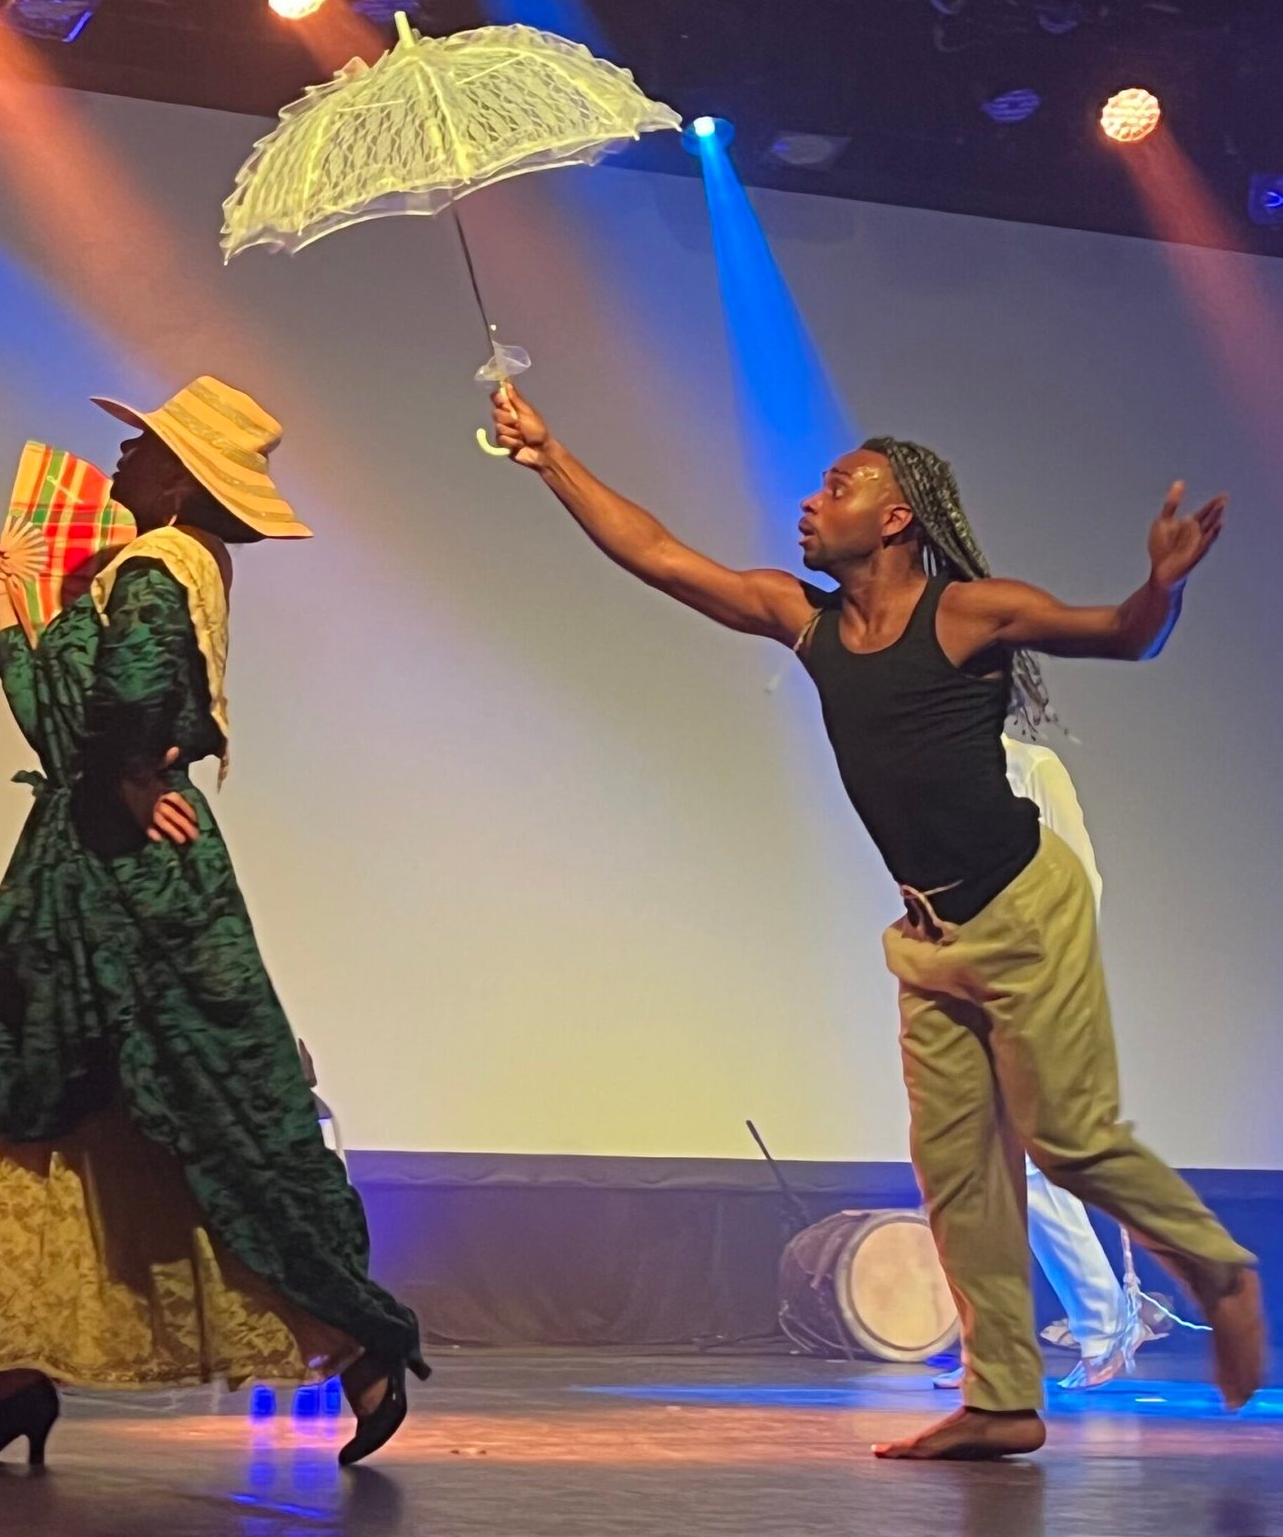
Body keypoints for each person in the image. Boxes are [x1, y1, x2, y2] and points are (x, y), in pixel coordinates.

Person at [491, 386, 1262, 1459]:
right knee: (954, 1169)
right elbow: (659, 555)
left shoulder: (970, 613)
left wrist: (1161, 586)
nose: (812, 503)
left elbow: (1124, 636)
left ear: (897, 517)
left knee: (1067, 1136)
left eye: (838, 487)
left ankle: (1216, 1270)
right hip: (930, 937)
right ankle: (1003, 1398)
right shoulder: (805, 621)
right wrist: (549, 457)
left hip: (1024, 912)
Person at [0, 375, 423, 1470]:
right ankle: (10, 1379)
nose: (121, 459)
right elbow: (76, 728)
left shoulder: (153, 567)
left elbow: (98, 721)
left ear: (181, 481)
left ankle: (354, 1337)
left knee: (197, 1107)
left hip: (125, 883)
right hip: (91, 874)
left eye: (143, 448)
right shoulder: (168, 566)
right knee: (70, 1111)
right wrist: (19, 615)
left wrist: (124, 766)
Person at [935, 735, 1167, 1393]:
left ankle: (1104, 1322)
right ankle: (997, 1350)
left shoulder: (1031, 767)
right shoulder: (934, 776)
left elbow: (1083, 882)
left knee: (1030, 1167)